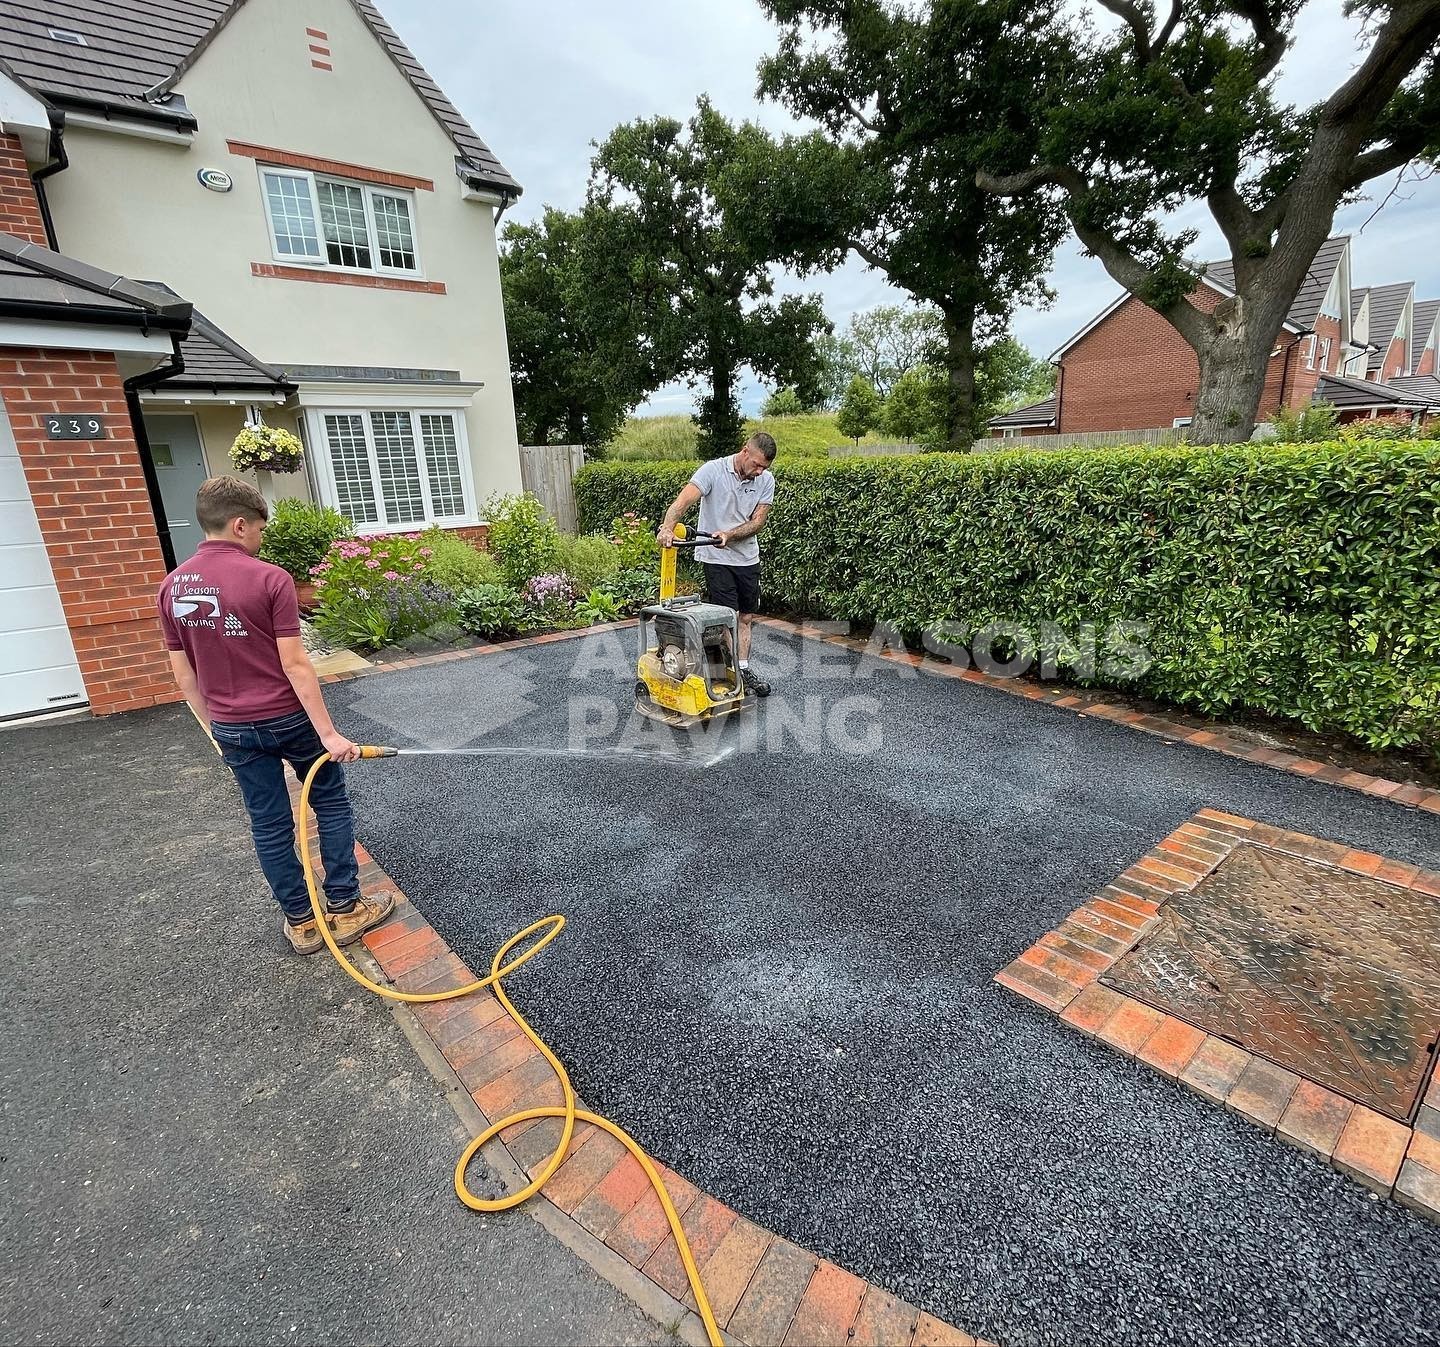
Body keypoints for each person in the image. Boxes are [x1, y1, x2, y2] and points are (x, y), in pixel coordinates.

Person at [157, 476, 393, 955]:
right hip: (289, 718)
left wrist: (218, 730)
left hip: (231, 726)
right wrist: (329, 734)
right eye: (260, 528)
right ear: (240, 524)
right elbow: (294, 664)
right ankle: (346, 909)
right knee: (327, 803)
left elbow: (184, 677)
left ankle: (303, 923)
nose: (261, 539)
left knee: (268, 824)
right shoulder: (269, 578)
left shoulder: (171, 587)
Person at [657, 432, 776, 696]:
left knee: (746, 616)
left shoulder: (766, 480)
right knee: (728, 617)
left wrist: (730, 534)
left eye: (764, 467)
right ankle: (730, 669)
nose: (759, 471)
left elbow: (758, 521)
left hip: (747, 557)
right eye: (756, 464)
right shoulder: (713, 470)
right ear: (745, 451)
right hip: (716, 558)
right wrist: (667, 528)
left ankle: (742, 668)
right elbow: (682, 502)